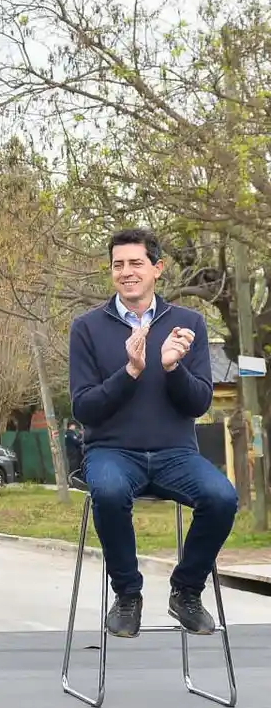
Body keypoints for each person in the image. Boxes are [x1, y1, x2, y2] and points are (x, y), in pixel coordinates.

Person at [68, 227, 237, 638]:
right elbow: (83, 406)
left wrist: (171, 367)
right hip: (111, 451)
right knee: (107, 491)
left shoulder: (186, 323)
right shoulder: (87, 327)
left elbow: (199, 403)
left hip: (175, 453)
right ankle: (127, 595)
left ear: (157, 269)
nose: (127, 272)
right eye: (118, 265)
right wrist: (130, 372)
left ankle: (186, 590)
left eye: (136, 263)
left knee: (222, 497)